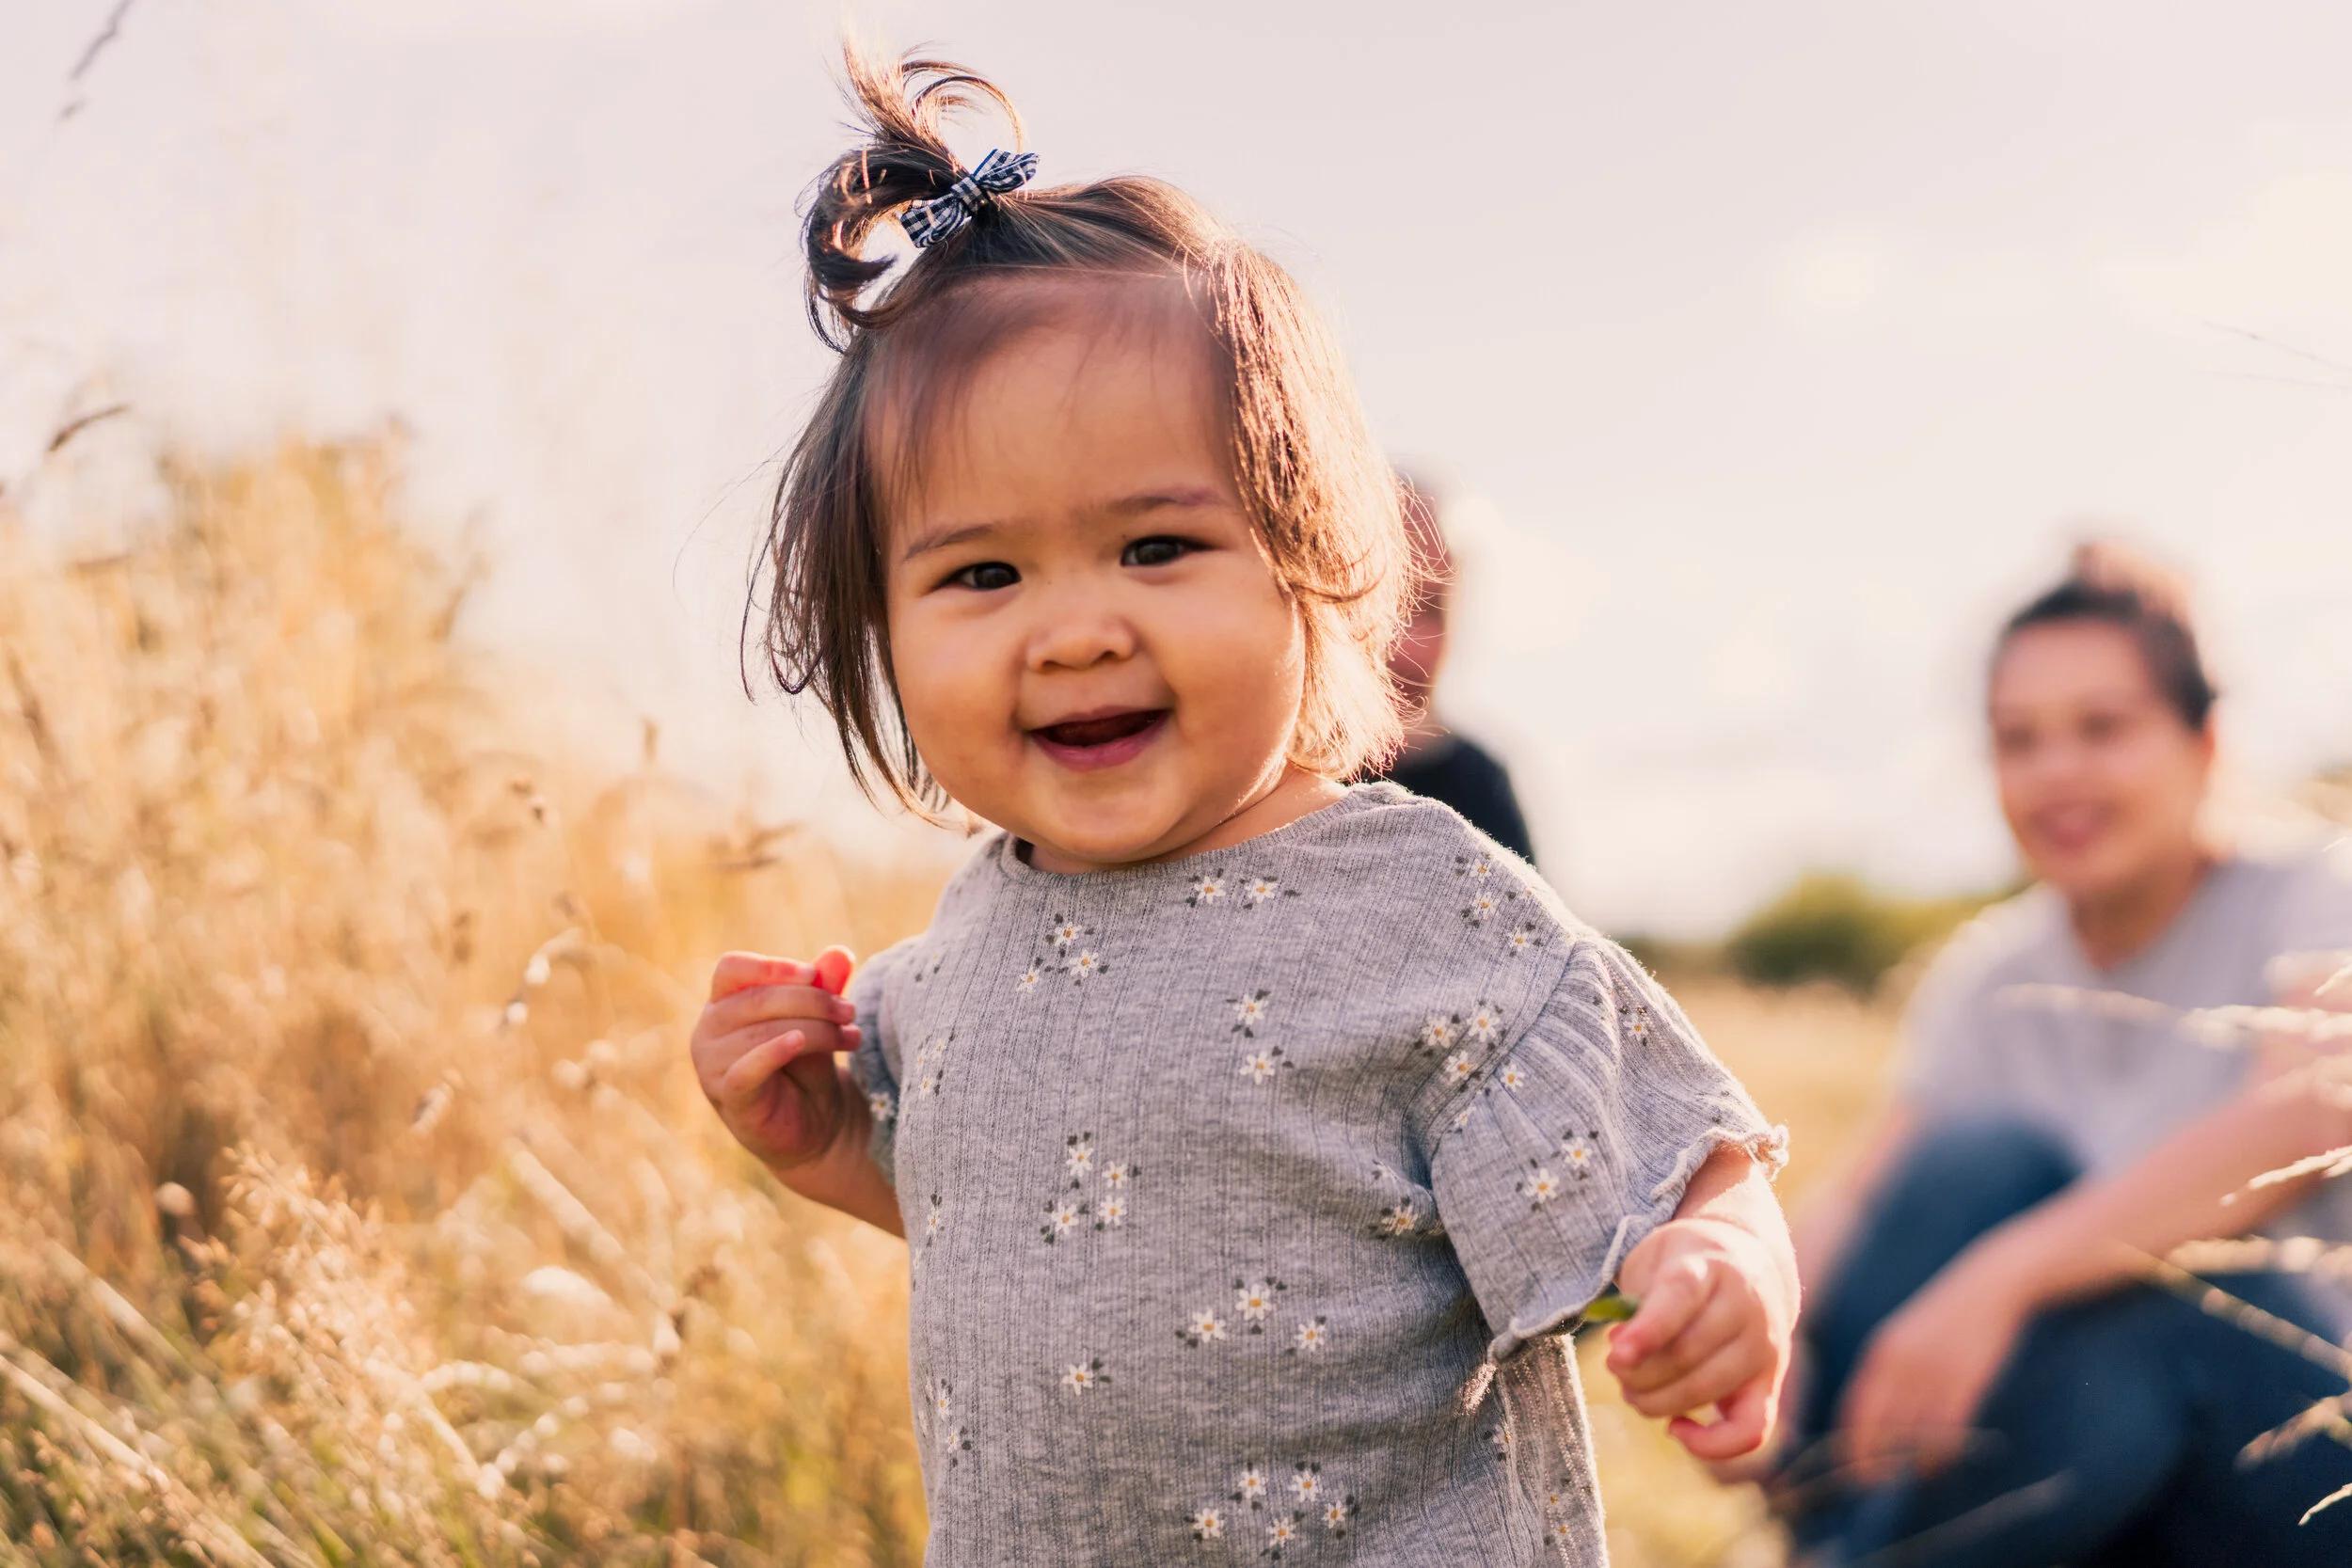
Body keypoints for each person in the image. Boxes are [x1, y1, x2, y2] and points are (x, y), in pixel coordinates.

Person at [689, 47, 1798, 1564]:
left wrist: (1717, 1264)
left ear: (1312, 568)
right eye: (983, 574)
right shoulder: (964, 951)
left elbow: (1682, 1157)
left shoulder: (1414, 906)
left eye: (1156, 548)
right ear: (882, 626)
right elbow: (1054, 1232)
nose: (1074, 629)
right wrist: (822, 1142)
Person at [1782, 542, 2352, 1564]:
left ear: (2204, 741)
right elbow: (1871, 1196)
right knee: (1973, 1163)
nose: (2055, 773)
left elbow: (2307, 1113)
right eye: (2018, 739)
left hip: (2296, 1454)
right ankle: (1846, 1524)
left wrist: (2003, 1276)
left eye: (2103, 727)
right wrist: (1771, 1326)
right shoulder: (1994, 970)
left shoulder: (2314, 888)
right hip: (2090, 1463)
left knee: (2178, 1306)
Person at [1375, 478, 1539, 863]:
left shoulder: (1481, 788)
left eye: (1431, 608)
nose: (1407, 648)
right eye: (1388, 608)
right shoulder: (1260, 787)